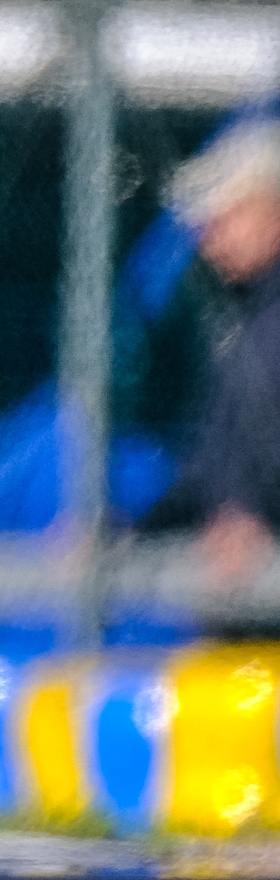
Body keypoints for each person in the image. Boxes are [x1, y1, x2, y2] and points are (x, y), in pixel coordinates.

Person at [165, 105, 280, 585]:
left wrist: (254, 517)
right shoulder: (242, 321)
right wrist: (132, 528)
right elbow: (209, 465)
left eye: (225, 218)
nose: (208, 241)